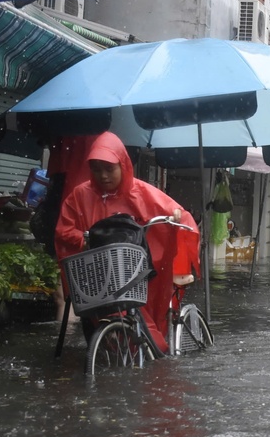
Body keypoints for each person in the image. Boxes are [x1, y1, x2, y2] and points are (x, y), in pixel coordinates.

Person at [55, 131, 200, 353]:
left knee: (147, 305)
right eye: (96, 169)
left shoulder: (141, 192)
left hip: (133, 272)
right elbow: (63, 230)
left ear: (123, 165)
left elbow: (176, 213)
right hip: (95, 276)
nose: (103, 176)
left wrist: (176, 216)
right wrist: (85, 240)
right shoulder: (79, 195)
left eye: (109, 168)